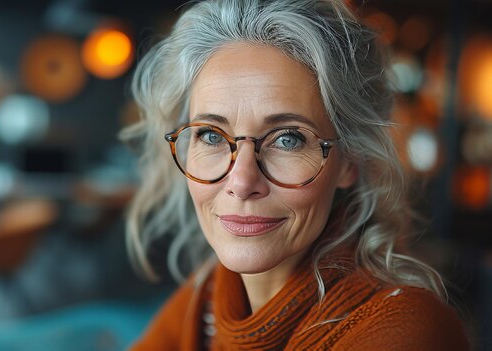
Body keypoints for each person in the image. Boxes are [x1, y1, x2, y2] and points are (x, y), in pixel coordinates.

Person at [121, 0, 470, 349]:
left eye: (288, 139)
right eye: (211, 135)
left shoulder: (405, 332)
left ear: (349, 160)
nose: (242, 182)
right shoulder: (211, 298)